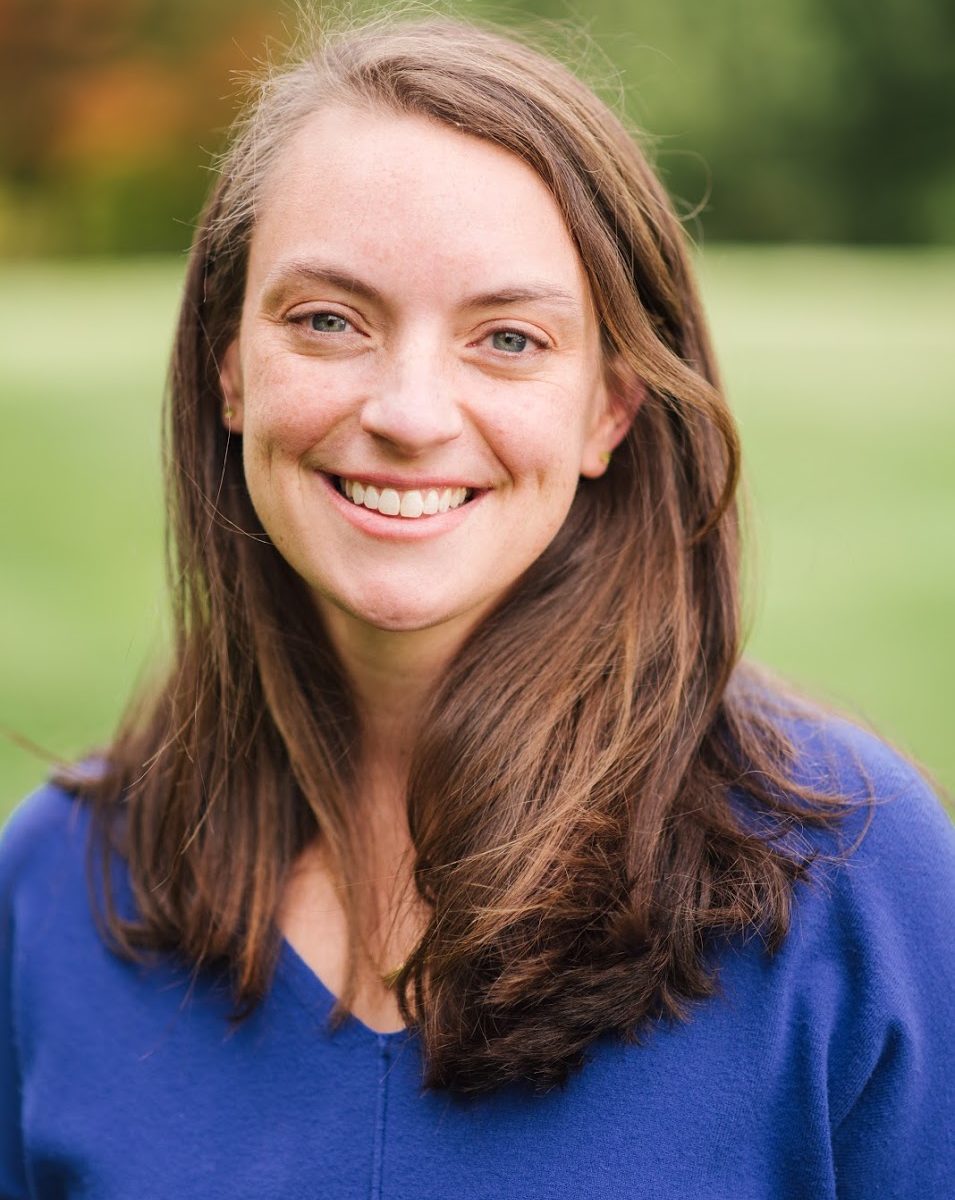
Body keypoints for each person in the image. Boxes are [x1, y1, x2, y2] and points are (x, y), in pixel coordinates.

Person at [2, 12, 954, 1198]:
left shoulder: (851, 882)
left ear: (610, 406)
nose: (408, 410)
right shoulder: (49, 891)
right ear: (228, 365)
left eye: (506, 338)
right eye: (328, 321)